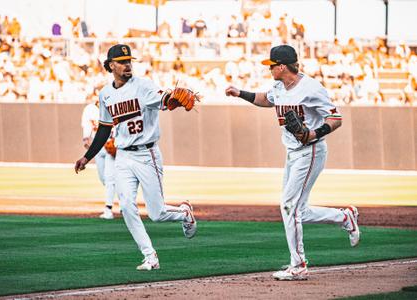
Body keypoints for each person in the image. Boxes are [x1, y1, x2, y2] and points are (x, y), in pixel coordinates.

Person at [225, 45, 360, 281]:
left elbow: (336, 118)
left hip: (311, 151)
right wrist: (240, 93)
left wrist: (314, 134)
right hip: (292, 153)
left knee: (288, 206)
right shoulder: (279, 86)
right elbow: (265, 99)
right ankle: (344, 217)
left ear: (282, 66)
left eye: (272, 66)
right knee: (299, 210)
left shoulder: (311, 88)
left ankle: (298, 265)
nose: (269, 70)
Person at [75, 44, 197, 271]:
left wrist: (173, 99)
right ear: (111, 66)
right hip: (123, 157)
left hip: (146, 153)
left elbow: (164, 100)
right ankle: (150, 256)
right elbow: (103, 128)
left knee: (157, 213)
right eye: (122, 61)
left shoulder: (144, 86)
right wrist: (87, 156)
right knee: (127, 207)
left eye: (129, 60)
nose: (127, 64)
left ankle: (184, 212)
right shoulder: (105, 94)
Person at [81, 95, 117, 219]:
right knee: (103, 178)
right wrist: (86, 138)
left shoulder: (114, 105)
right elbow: (87, 125)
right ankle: (123, 194)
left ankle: (108, 209)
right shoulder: (90, 109)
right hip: (98, 146)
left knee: (109, 178)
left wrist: (116, 141)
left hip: (111, 145)